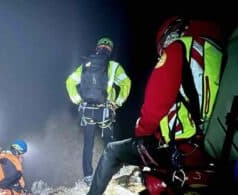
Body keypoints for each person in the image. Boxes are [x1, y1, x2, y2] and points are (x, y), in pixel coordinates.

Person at [87, 16, 225, 195]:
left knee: (112, 150)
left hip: (181, 148)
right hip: (211, 149)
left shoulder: (177, 49)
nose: (161, 51)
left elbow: (155, 104)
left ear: (170, 35)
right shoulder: (217, 52)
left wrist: (141, 132)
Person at [66, 37, 131, 184]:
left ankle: (88, 177)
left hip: (87, 110)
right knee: (109, 143)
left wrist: (78, 101)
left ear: (97, 48)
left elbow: (70, 81)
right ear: (110, 50)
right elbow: (126, 83)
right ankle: (114, 171)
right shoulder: (113, 66)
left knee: (88, 145)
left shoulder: (85, 64)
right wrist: (117, 102)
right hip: (105, 111)